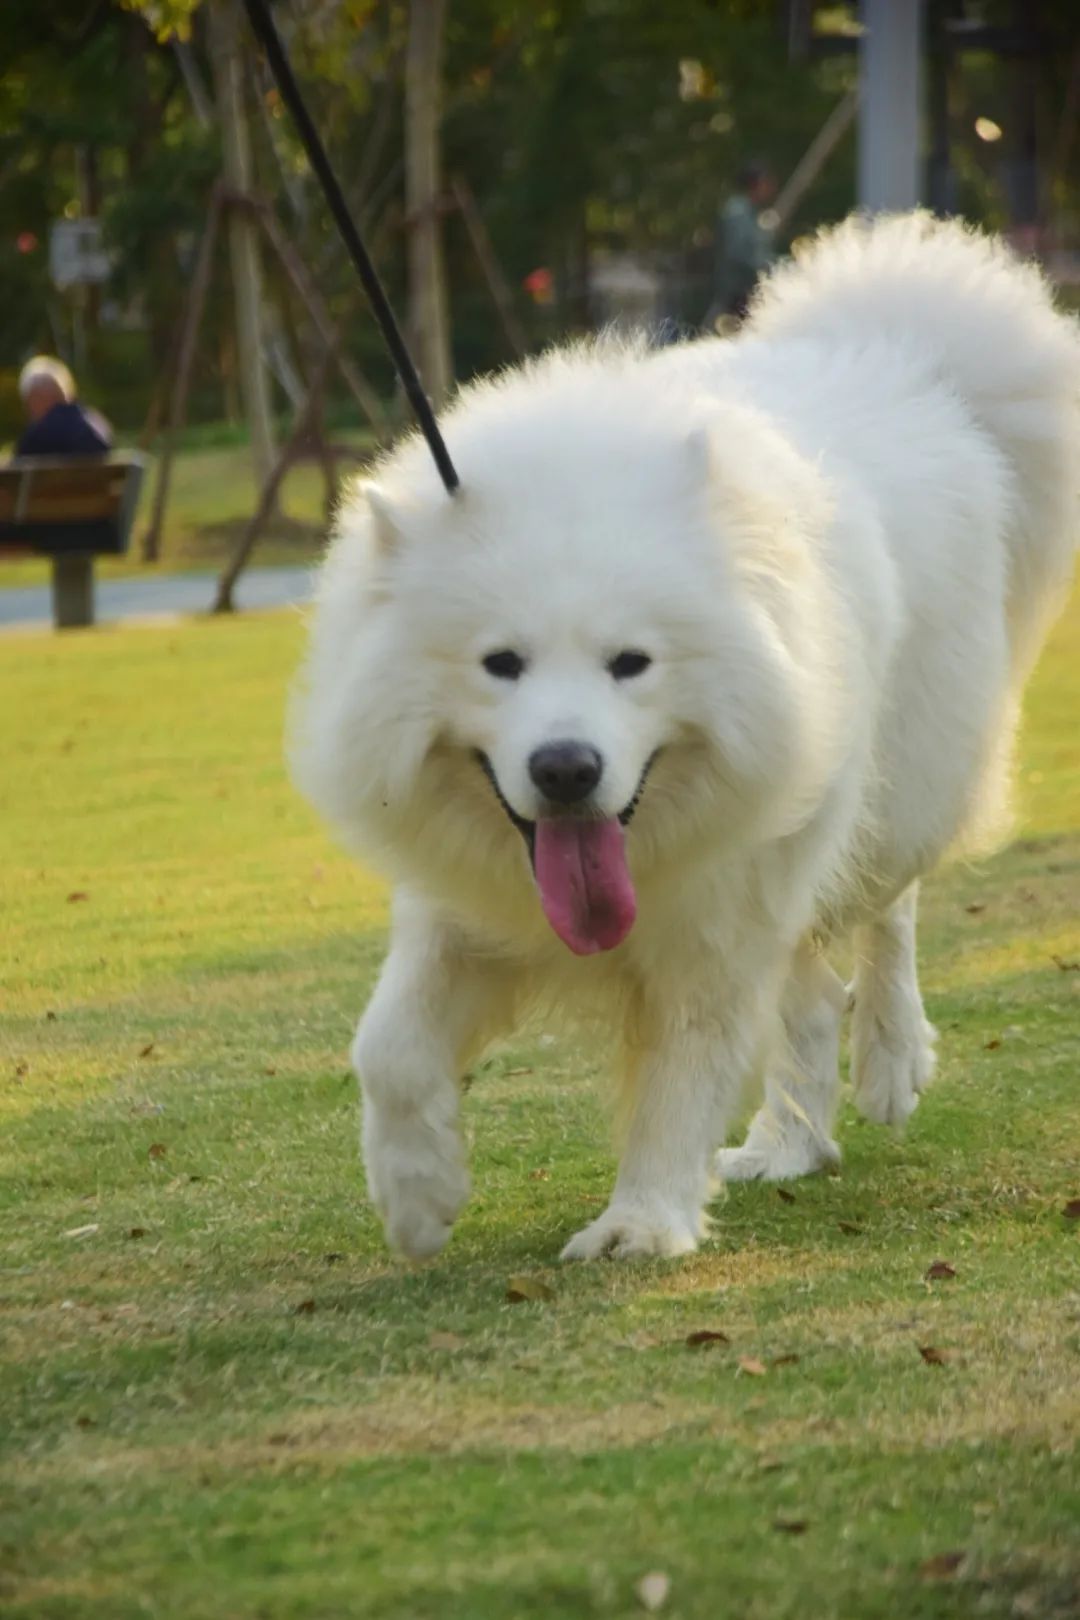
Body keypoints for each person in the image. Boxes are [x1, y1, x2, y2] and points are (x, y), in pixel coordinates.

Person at [711, 160, 778, 326]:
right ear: (755, 184)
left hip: (748, 290)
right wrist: (771, 269)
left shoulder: (750, 211)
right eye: (766, 182)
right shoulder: (737, 212)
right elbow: (739, 253)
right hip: (740, 293)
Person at [15, 356, 112, 458]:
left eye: (28, 399)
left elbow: (16, 467)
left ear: (38, 397)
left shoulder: (36, 437)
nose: (27, 407)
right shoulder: (97, 426)